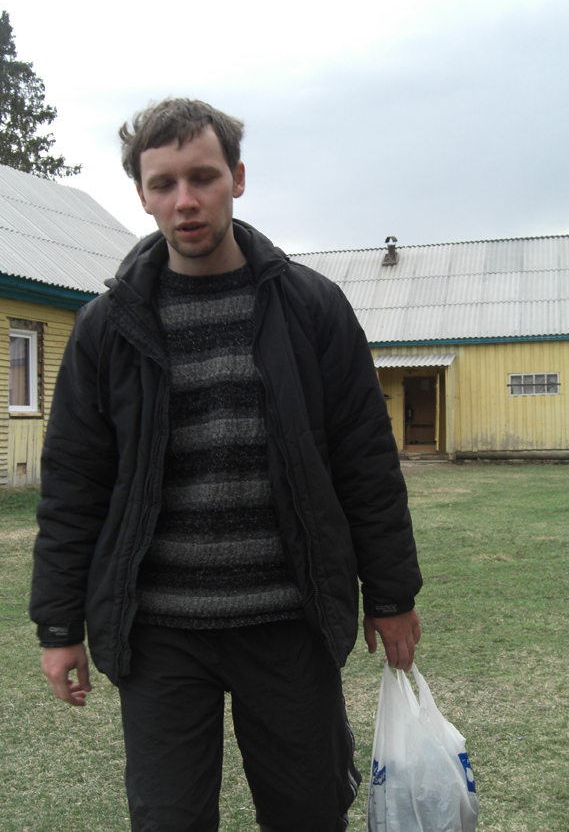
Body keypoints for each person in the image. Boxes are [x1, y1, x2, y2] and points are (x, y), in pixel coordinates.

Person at [30, 98, 422, 832]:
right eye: (164, 183)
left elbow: (365, 463)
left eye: (203, 177)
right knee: (168, 820)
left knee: (307, 814)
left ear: (237, 178)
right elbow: (74, 486)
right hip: (160, 634)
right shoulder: (107, 327)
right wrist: (59, 626)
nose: (185, 200)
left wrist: (392, 593)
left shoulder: (311, 309)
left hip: (289, 621)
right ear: (142, 195)